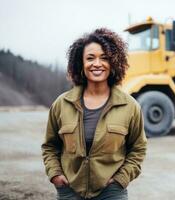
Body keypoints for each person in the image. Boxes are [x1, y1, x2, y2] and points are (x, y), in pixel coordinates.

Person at [41, 28, 147, 200]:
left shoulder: (130, 106)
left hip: (111, 192)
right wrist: (55, 175)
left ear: (113, 62)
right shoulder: (61, 104)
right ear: (80, 64)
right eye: (90, 58)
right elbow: (50, 146)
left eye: (104, 58)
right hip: (70, 190)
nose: (97, 63)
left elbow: (138, 148)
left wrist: (121, 179)